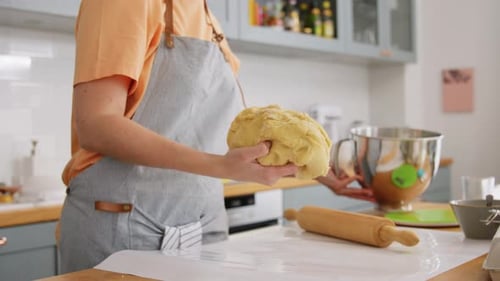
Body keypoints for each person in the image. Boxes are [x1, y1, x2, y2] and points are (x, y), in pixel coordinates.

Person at [59, 0, 373, 274]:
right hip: (125, 229)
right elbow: (97, 124)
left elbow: (231, 129)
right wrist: (221, 167)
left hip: (201, 224)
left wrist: (315, 170)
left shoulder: (209, 20)